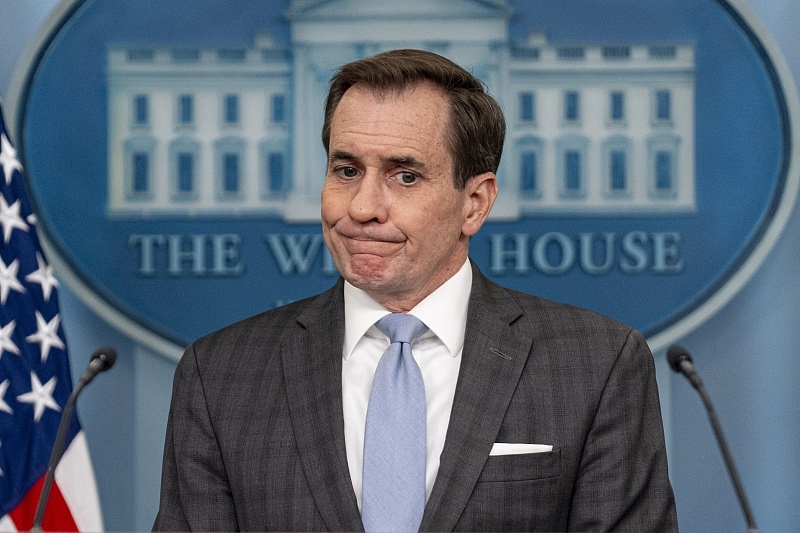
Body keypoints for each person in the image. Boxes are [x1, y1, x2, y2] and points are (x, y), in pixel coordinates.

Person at [153, 49, 678, 532]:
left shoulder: (597, 365)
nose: (361, 207)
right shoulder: (219, 374)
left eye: (404, 176)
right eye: (346, 170)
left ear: (474, 203)